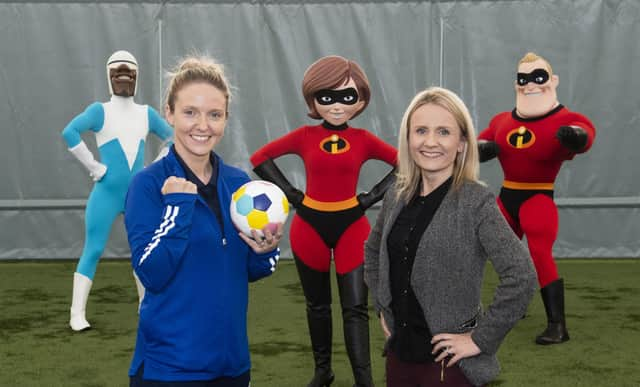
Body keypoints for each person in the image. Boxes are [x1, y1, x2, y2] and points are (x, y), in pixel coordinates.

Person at [124, 55, 283, 386]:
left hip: (233, 365)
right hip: (170, 369)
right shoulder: (148, 185)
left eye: (214, 115)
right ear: (169, 113)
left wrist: (265, 250)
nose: (203, 125)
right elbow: (151, 273)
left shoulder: (240, 185)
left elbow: (253, 271)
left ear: (225, 119)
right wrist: (178, 207)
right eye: (190, 112)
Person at [364, 87, 536, 386]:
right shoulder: (397, 194)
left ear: (461, 143)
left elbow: (522, 276)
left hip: (448, 367)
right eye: (421, 131)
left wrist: (480, 339)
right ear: (408, 138)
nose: (430, 142)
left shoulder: (476, 202)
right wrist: (383, 306)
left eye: (444, 132)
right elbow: (372, 251)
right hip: (399, 357)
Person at [250, 55, 397, 387]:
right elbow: (259, 158)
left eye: (347, 96)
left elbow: (405, 163)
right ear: (313, 98)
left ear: (360, 99)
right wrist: (291, 193)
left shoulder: (364, 139)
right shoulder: (304, 135)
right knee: (317, 305)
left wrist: (371, 197)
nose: (336, 105)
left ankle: (365, 380)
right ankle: (323, 371)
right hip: (309, 227)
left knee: (355, 308)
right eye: (326, 96)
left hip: (352, 227)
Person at [478, 52, 596, 345]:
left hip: (537, 197)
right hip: (506, 197)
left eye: (538, 77)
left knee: (540, 254)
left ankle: (558, 325)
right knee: (487, 250)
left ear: (552, 81)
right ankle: (512, 303)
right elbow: (479, 139)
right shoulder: (502, 120)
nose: (530, 84)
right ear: (516, 83)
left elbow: (586, 135)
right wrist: (481, 148)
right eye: (523, 78)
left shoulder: (566, 118)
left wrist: (576, 138)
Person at [61, 50, 173, 331]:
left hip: (138, 194)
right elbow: (69, 132)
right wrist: (95, 167)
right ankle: (77, 314)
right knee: (94, 248)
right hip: (106, 193)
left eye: (129, 72)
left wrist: (153, 168)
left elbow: (173, 137)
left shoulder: (145, 113)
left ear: (137, 76)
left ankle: (146, 305)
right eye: (118, 72)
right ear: (108, 76)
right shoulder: (101, 110)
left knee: (143, 249)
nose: (124, 77)